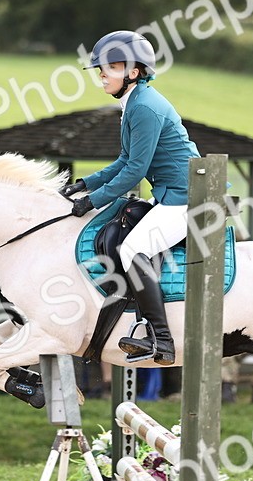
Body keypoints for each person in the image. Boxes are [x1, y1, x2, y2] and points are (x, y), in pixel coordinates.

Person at [60, 30, 199, 366]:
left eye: (111, 67)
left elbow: (135, 171)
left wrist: (92, 201)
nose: (102, 74)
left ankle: (162, 339)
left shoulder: (145, 107)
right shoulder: (134, 102)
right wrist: (85, 184)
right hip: (171, 195)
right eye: (100, 68)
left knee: (134, 249)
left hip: (186, 198)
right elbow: (125, 160)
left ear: (134, 72)